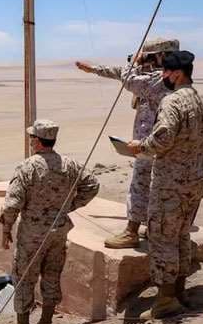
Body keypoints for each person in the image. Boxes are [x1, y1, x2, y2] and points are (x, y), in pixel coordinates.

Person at [128, 50, 203, 319]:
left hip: (170, 185)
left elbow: (162, 139)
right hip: (195, 182)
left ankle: (165, 301)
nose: (162, 76)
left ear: (177, 74)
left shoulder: (172, 102)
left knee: (163, 238)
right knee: (182, 236)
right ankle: (179, 292)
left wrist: (139, 146)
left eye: (165, 72)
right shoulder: (202, 101)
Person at [0, 119, 100, 324]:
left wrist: (6, 228)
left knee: (24, 277)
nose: (30, 142)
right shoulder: (69, 164)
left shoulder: (27, 167)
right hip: (58, 231)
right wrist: (68, 206)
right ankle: (46, 323)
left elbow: (11, 205)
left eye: (31, 138)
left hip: (33, 234)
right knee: (52, 275)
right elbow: (92, 185)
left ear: (37, 141)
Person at [76, 38, 179, 248]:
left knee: (141, 184)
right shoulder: (169, 76)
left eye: (149, 56)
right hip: (159, 143)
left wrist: (134, 62)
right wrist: (95, 69)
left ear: (160, 56)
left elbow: (129, 80)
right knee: (156, 187)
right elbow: (120, 73)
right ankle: (153, 228)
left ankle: (131, 232)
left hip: (152, 143)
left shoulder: (161, 79)